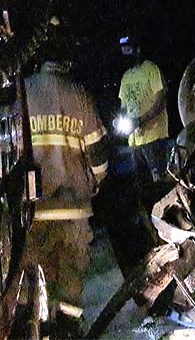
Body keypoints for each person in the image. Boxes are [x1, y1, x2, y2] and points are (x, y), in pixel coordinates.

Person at [23, 19, 108, 337]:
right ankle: (69, 331)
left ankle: (41, 330)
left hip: (35, 212)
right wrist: (96, 182)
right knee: (71, 286)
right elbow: (98, 156)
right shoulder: (79, 94)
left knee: (37, 286)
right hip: (74, 211)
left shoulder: (25, 93)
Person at [117, 34, 169, 183]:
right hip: (134, 140)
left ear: (137, 50)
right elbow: (123, 106)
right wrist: (120, 120)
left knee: (158, 182)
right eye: (123, 50)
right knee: (140, 185)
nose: (125, 54)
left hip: (154, 137)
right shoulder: (126, 77)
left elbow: (161, 101)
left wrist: (140, 120)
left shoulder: (151, 69)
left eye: (128, 49)